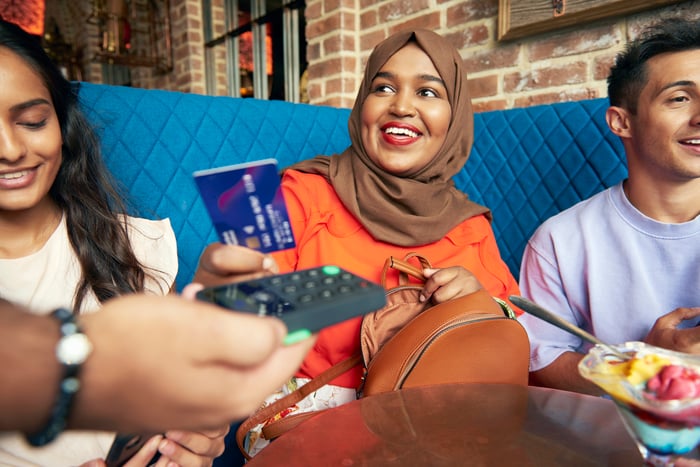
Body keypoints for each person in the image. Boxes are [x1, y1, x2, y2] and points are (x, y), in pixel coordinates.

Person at [244, 28, 520, 455]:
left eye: (428, 92)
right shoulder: (295, 191)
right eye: (383, 87)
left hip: (436, 421)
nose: (402, 106)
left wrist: (478, 302)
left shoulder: (471, 225)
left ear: (455, 116)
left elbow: (510, 326)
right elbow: (245, 313)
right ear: (362, 105)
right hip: (311, 415)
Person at [0, 18, 229, 466]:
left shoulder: (135, 248)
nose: (9, 148)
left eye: (31, 121)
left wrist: (196, 444)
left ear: (62, 126)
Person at [518, 18, 700, 395]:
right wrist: (643, 367)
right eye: (680, 98)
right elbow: (539, 362)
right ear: (622, 122)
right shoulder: (559, 241)